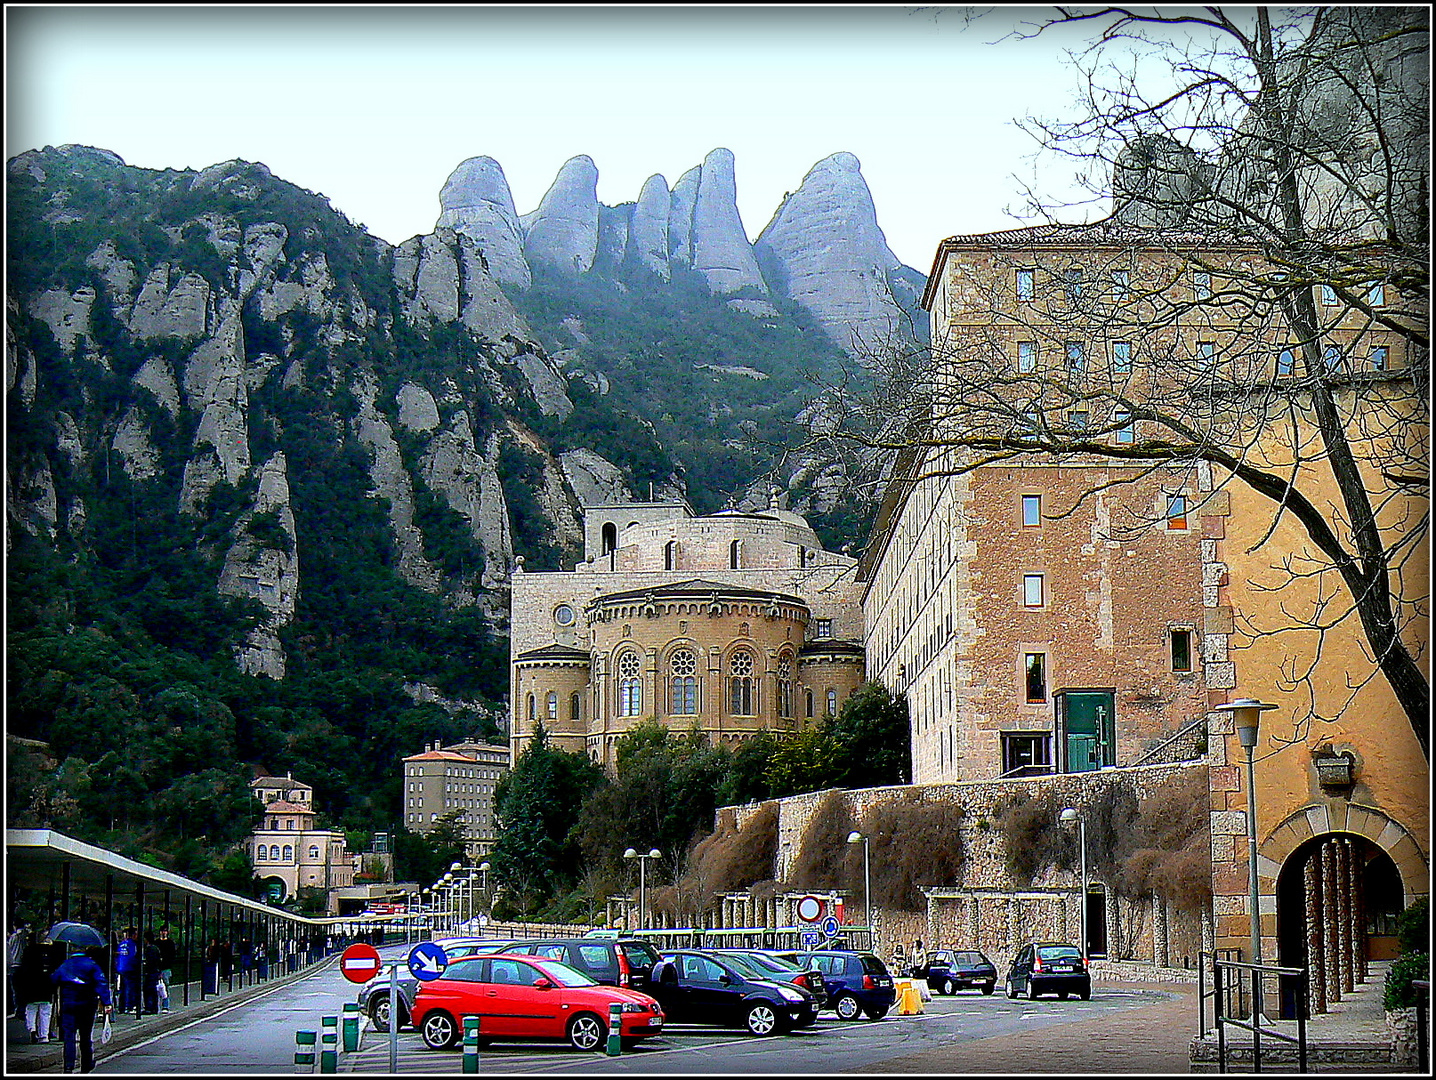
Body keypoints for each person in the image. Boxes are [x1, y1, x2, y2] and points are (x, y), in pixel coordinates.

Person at [52, 944, 112, 1074]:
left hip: (68, 1003)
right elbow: (101, 983)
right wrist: (106, 1002)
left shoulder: (65, 965)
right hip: (87, 1004)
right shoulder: (91, 964)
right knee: (85, 1035)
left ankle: (68, 1066)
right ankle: (86, 1063)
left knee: (69, 1036)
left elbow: (54, 979)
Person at [17, 929, 59, 1042]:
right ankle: (44, 1035)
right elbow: (56, 969)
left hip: (32, 985)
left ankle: (32, 1030)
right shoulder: (53, 952)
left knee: (31, 1008)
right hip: (47, 985)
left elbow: (23, 969)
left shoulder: (29, 950)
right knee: (45, 1011)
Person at [114, 928, 139, 1014]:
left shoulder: (121, 944)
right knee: (130, 987)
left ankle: (122, 1007)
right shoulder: (132, 944)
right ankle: (129, 1006)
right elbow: (133, 956)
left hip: (120, 968)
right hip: (129, 968)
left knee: (123, 987)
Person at [8, 921, 27, 1018]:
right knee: (23, 989)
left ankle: (18, 1010)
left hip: (14, 964)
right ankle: (24, 1010)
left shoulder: (13, 937)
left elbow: (9, 949)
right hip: (24, 965)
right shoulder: (26, 936)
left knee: (15, 990)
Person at [156, 929, 177, 1012]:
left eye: (165, 931)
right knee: (157, 987)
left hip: (166, 967)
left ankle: (165, 1005)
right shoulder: (157, 942)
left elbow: (172, 955)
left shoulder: (170, 943)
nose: (163, 932)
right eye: (162, 931)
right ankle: (157, 1005)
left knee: (165, 986)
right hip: (158, 968)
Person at [142, 931, 162, 1014]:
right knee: (153, 990)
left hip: (150, 972)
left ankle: (149, 1007)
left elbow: (150, 961)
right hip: (155, 971)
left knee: (148, 990)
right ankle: (154, 1007)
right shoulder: (155, 948)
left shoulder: (150, 949)